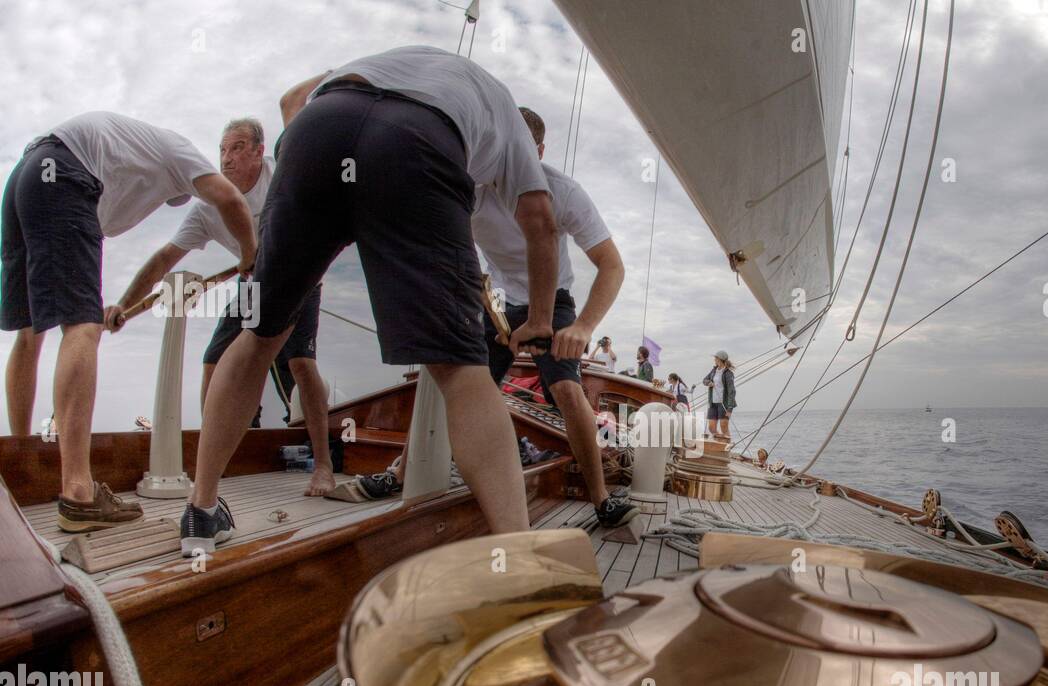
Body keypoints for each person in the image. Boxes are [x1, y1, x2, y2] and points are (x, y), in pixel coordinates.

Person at [179, 46, 560, 555]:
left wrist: (325, 199)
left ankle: (201, 511)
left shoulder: (394, 58)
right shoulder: (504, 110)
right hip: (419, 141)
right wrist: (537, 317)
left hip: (319, 126)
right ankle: (518, 554)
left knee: (259, 333)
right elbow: (539, 218)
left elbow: (293, 99)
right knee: (462, 366)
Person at [356, 108, 637, 530]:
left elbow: (611, 265)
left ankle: (600, 498)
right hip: (497, 300)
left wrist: (582, 327)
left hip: (553, 298)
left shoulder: (563, 192)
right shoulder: (471, 189)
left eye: (520, 148)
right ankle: (401, 473)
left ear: (538, 151)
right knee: (454, 378)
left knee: (565, 387)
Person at [2, 111, 256, 532]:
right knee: (81, 326)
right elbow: (229, 199)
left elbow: (159, 261)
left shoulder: (135, 157)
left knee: (30, 331)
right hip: (65, 172)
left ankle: (17, 469)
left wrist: (121, 305)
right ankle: (79, 493)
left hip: (26, 177)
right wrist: (249, 255)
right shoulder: (181, 152)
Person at [112, 116, 335, 496]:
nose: (226, 159)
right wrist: (123, 304)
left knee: (300, 363)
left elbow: (324, 212)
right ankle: (213, 463)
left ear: (258, 152)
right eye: (222, 150)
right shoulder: (207, 208)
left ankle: (324, 466)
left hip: (301, 279)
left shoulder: (282, 176)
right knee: (215, 361)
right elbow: (166, 257)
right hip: (251, 287)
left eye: (236, 148)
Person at [702, 350, 736, 440]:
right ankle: (720, 442)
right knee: (711, 428)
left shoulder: (728, 374)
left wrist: (730, 409)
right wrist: (709, 382)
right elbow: (704, 380)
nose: (714, 360)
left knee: (724, 427)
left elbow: (732, 391)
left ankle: (726, 446)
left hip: (723, 403)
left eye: (715, 358)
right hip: (713, 403)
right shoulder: (714, 371)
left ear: (720, 359)